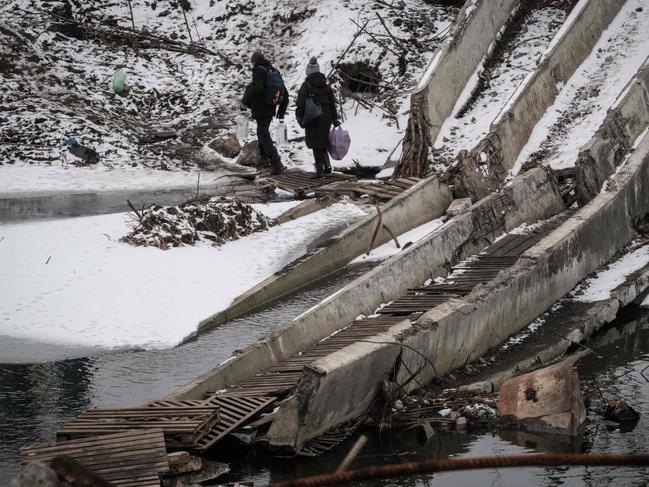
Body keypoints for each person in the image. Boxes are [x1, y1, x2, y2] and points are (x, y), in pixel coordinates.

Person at [241, 51, 288, 175]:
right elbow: (285, 92)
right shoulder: (273, 71)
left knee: (263, 134)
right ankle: (264, 160)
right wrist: (281, 111)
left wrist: (245, 102)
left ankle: (276, 162)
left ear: (254, 62)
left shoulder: (259, 70)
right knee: (263, 133)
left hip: (261, 107)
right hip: (271, 107)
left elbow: (257, 88)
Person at [296, 57, 340, 178]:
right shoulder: (326, 85)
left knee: (316, 144)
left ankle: (319, 171)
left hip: (312, 118)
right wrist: (334, 119)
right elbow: (332, 103)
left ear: (308, 71)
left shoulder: (306, 85)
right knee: (322, 142)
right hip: (326, 118)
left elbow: (300, 103)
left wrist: (299, 117)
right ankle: (327, 167)